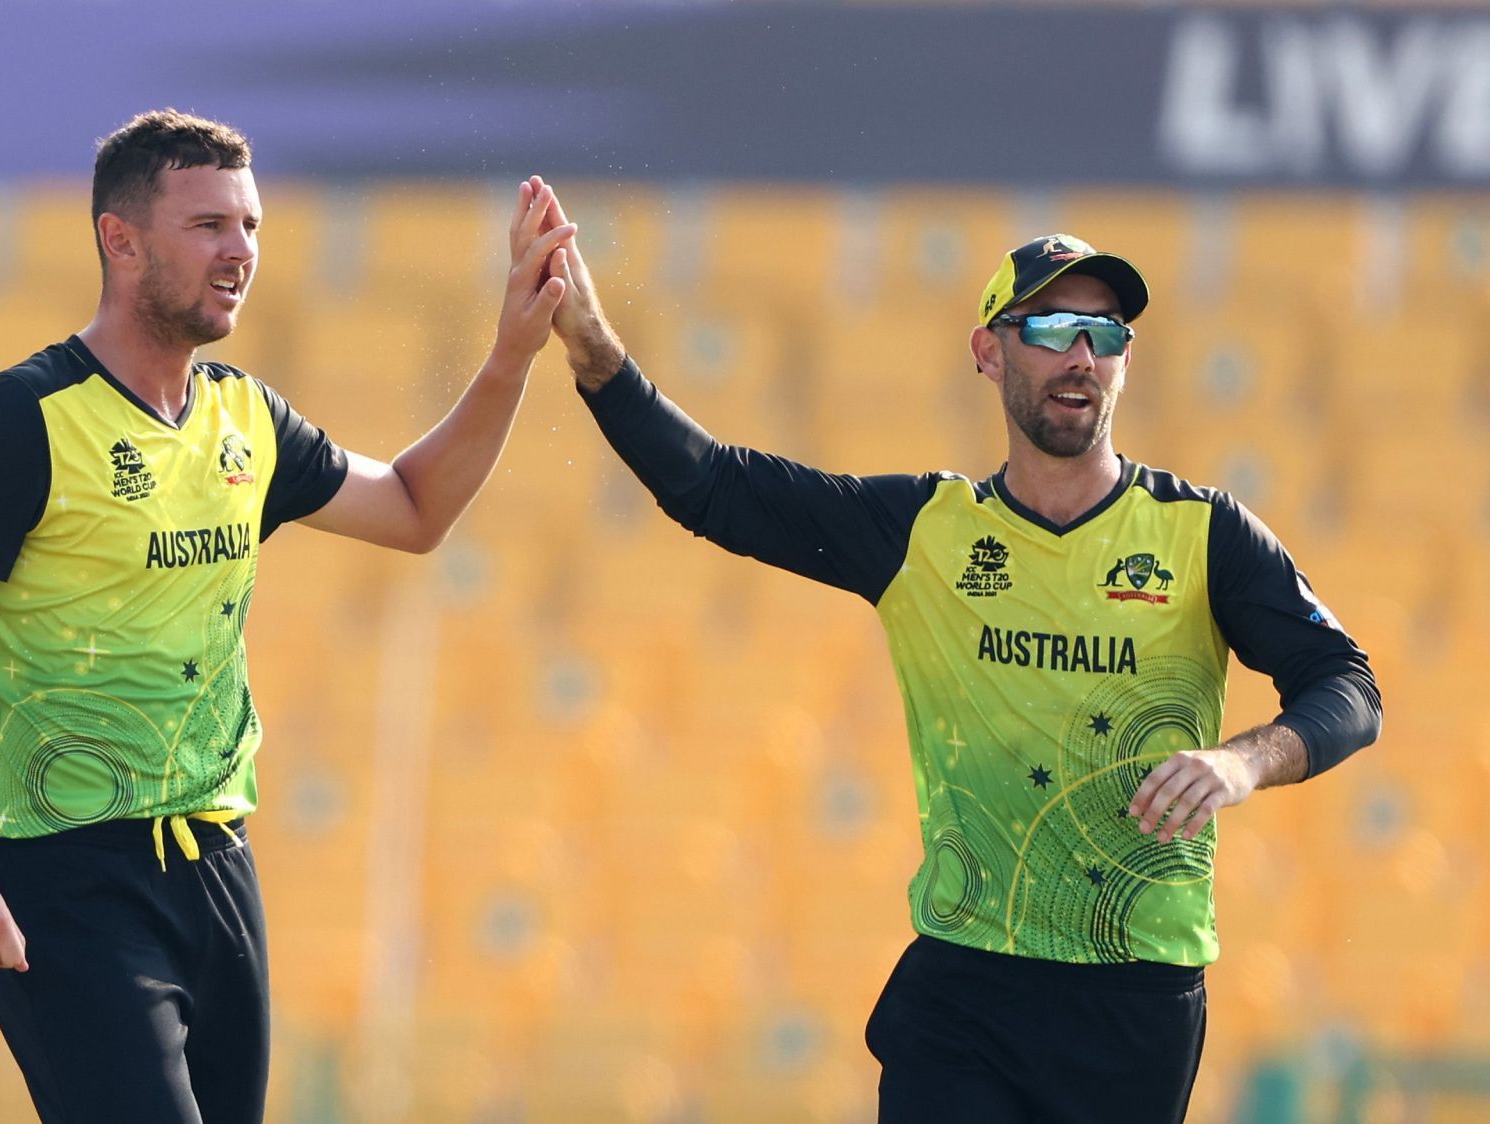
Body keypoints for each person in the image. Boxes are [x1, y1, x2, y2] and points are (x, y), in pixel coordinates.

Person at [539, 213, 1381, 1121]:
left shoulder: (1204, 534)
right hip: (964, 984)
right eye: (1054, 329)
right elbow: (717, 487)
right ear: (988, 351)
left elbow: (1348, 687)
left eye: (1105, 335)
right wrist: (593, 352)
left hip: (1136, 994)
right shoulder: (927, 534)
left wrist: (1242, 760)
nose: (1082, 357)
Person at [0, 110, 572, 1122]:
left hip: (219, 866)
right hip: (65, 874)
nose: (240, 252)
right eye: (208, 226)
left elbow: (415, 509)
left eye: (252, 225)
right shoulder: (23, 419)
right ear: (122, 238)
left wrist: (508, 358)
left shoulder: (247, 417)